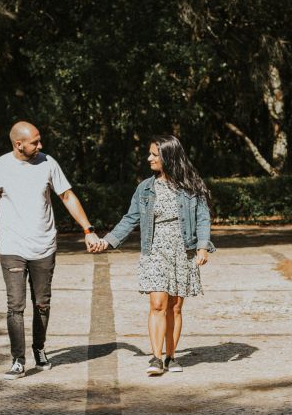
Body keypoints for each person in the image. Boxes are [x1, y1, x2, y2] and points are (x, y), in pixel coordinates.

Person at [0, 121, 103, 378]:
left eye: (39, 140)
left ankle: (39, 348)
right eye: (35, 142)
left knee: (42, 304)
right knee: (15, 305)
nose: (40, 145)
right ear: (19, 144)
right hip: (12, 246)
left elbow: (67, 196)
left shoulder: (48, 163)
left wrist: (88, 229)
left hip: (44, 245)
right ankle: (17, 359)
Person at [91, 135, 214, 376]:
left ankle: (171, 356)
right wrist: (108, 241)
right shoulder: (145, 188)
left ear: (169, 156)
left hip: (183, 251)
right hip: (155, 250)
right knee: (158, 304)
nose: (149, 158)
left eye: (154, 154)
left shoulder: (191, 186)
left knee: (175, 308)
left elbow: (203, 216)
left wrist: (202, 247)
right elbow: (130, 218)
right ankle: (156, 358)